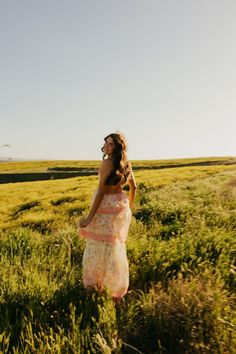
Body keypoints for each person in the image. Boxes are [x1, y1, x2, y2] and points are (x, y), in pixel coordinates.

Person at [78, 132, 137, 300]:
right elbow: (134, 188)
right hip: (119, 210)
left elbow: (102, 192)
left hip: (104, 210)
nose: (107, 146)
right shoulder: (126, 163)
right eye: (106, 143)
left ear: (118, 147)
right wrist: (128, 209)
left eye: (111, 144)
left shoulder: (107, 163)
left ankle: (94, 289)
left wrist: (89, 218)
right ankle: (115, 290)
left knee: (96, 249)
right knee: (114, 250)